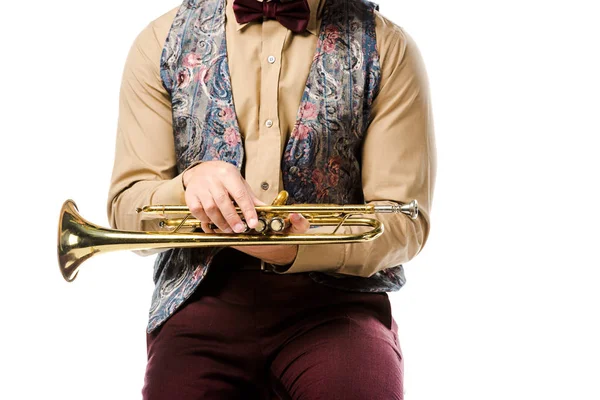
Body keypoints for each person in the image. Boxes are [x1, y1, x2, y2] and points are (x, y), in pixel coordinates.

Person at [107, 0, 436, 398]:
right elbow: (126, 206)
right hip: (202, 299)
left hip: (338, 303)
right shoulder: (159, 42)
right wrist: (188, 185)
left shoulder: (387, 47)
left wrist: (299, 247)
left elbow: (404, 220)